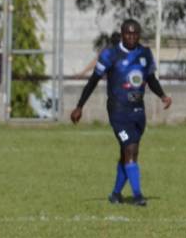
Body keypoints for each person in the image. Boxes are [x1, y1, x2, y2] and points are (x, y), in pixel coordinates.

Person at [70, 19, 172, 207]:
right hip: (118, 111)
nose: (131, 37)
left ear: (139, 35)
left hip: (138, 111)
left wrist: (162, 95)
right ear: (122, 34)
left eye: (135, 34)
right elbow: (93, 80)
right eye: (128, 33)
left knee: (128, 153)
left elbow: (150, 78)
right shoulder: (110, 54)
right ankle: (138, 196)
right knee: (130, 149)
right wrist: (80, 106)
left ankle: (116, 195)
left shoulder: (145, 53)